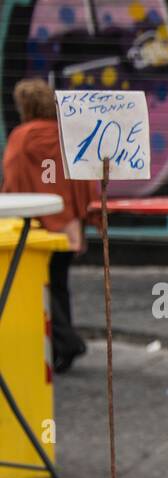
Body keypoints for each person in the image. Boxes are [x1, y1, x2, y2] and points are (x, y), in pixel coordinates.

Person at [2, 78, 98, 373]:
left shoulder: (22, 137)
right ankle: (62, 348)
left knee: (40, 287)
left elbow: (14, 178)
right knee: (60, 285)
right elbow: (83, 180)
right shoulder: (66, 136)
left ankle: (66, 341)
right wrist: (84, 218)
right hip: (67, 224)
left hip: (37, 225)